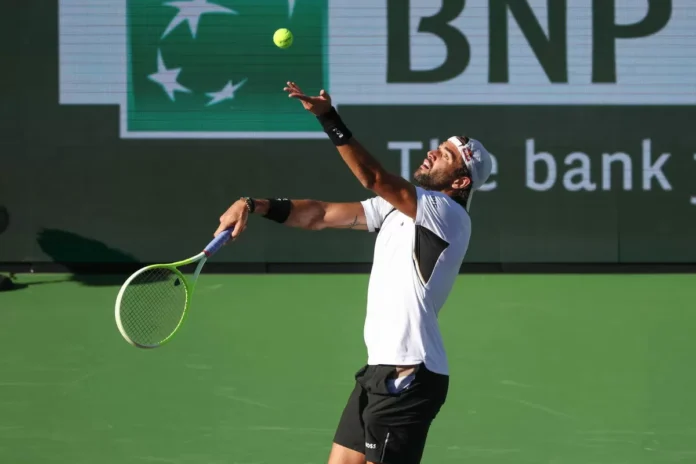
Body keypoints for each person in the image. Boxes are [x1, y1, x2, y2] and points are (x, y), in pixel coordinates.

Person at [214, 82, 493, 464]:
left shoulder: (448, 215)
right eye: (438, 146)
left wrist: (329, 118)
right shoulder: (396, 209)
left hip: (409, 372)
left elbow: (373, 177)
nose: (432, 152)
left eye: (445, 155)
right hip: (379, 369)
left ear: (460, 182)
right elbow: (320, 215)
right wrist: (253, 204)